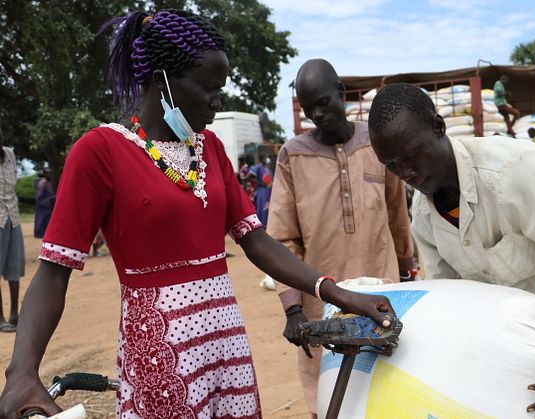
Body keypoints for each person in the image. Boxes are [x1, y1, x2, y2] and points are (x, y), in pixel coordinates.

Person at [0, 10, 395, 419]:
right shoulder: (100, 151)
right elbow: (53, 271)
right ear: (162, 80)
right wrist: (21, 372)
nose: (217, 100)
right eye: (208, 87)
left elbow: (257, 241)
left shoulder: (210, 150)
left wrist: (338, 294)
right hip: (161, 357)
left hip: (227, 346)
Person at [367, 83, 535, 419]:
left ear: (438, 127)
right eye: (393, 165)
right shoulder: (425, 219)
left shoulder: (513, 171)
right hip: (516, 342)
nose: (406, 173)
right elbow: (453, 301)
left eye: (412, 155)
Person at [267, 59, 415, 417]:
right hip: (323, 310)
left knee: (388, 398)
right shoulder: (292, 155)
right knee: (329, 401)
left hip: (385, 296)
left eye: (323, 102)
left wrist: (409, 273)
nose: (317, 114)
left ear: (342, 93)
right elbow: (282, 238)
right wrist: (293, 309)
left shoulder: (375, 143)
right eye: (308, 108)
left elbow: (397, 215)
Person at [0, 126, 24, 334]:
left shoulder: (9, 154)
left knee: (14, 266)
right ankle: (0, 318)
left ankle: (15, 314)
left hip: (13, 217)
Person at [251, 155, 273, 225]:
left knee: (268, 207)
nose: (266, 159)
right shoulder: (258, 168)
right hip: (262, 190)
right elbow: (252, 178)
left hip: (269, 190)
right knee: (261, 207)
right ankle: (261, 224)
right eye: (265, 157)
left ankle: (267, 223)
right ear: (261, 159)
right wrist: (261, 184)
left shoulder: (268, 168)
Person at [33, 171, 55, 239]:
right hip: (44, 205)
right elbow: (39, 196)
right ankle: (40, 234)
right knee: (41, 220)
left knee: (46, 220)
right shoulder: (42, 183)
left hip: (48, 205)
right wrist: (46, 201)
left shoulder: (47, 183)